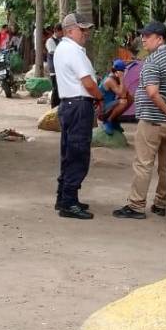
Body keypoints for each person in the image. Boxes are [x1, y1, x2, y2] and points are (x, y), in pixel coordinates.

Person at [113, 21, 166, 219]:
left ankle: (136, 205)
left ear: (160, 38)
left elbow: (152, 92)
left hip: (151, 119)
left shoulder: (153, 60)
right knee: (165, 165)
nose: (143, 39)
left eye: (147, 36)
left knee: (143, 163)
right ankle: (161, 202)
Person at [53, 13, 102, 219]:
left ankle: (64, 196)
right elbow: (88, 83)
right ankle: (68, 202)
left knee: (69, 152)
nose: (86, 33)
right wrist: (100, 98)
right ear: (70, 30)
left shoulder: (63, 49)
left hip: (70, 105)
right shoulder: (73, 51)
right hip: (79, 105)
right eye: (82, 30)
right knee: (78, 153)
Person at [99, 59, 132, 135]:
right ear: (117, 71)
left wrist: (120, 80)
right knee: (123, 102)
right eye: (123, 71)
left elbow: (125, 93)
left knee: (130, 98)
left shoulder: (115, 78)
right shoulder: (110, 80)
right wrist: (121, 78)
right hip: (102, 110)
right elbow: (122, 95)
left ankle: (114, 120)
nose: (124, 73)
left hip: (109, 106)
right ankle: (108, 121)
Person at [46, 23, 63, 108]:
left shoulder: (61, 40)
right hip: (54, 69)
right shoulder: (50, 41)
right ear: (56, 31)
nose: (62, 33)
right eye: (61, 32)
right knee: (56, 89)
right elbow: (53, 51)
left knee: (60, 89)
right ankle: (53, 107)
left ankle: (58, 107)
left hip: (61, 69)